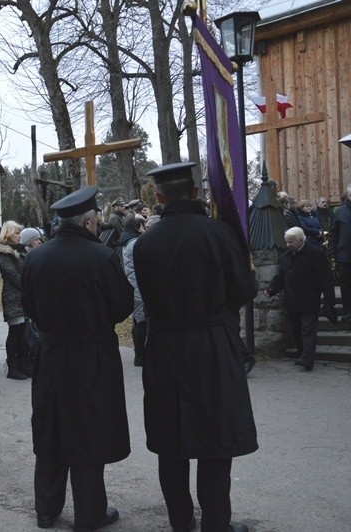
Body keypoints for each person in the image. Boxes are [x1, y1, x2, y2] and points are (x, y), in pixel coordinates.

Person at [133, 162, 258, 532]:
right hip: (213, 346)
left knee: (171, 444)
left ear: (158, 197)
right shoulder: (218, 233)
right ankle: (216, 524)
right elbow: (244, 290)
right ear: (193, 192)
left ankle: (180, 523)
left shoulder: (145, 243)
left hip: (165, 348)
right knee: (214, 441)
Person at [21, 186, 131, 531]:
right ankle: (89, 514)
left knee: (51, 428)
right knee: (89, 430)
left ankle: (46, 510)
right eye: (95, 220)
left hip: (51, 354)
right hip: (92, 357)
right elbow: (122, 306)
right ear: (87, 222)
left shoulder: (36, 258)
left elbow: (29, 307)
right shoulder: (101, 256)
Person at [264, 227, 336, 371]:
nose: (288, 245)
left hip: (309, 300)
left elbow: (326, 280)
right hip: (292, 301)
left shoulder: (315, 253)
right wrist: (271, 290)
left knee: (308, 329)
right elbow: (281, 277)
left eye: (291, 242)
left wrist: (329, 301)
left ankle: (307, 359)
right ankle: (303, 355)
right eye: (287, 242)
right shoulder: (286, 256)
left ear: (301, 240)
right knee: (295, 330)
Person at [0, 221, 30, 380]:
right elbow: (12, 275)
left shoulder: (17, 250)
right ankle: (12, 367)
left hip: (21, 296)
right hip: (13, 297)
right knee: (15, 332)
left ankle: (23, 364)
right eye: (16, 233)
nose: (19, 235)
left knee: (22, 332)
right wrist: (29, 288)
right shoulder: (4, 253)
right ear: (7, 235)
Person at [117, 213, 147, 367]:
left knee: (138, 321)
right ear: (137, 227)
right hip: (139, 287)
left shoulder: (126, 241)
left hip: (132, 286)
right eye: (143, 224)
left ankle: (139, 353)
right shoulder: (135, 243)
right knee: (141, 322)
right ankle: (140, 356)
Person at [328, 185, 351, 321]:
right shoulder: (340, 212)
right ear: (348, 196)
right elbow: (333, 234)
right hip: (345, 256)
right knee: (346, 285)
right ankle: (348, 312)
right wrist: (332, 253)